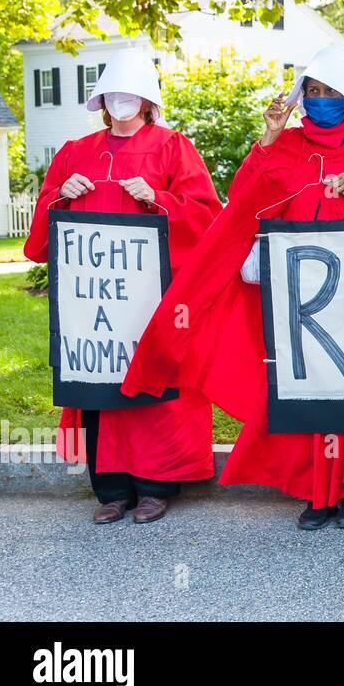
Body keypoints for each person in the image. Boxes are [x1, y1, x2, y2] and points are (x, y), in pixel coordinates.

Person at [123, 46, 344, 530]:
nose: (319, 100)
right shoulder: (286, 148)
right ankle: (318, 492)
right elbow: (246, 199)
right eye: (311, 92)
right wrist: (269, 139)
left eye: (329, 92)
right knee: (302, 389)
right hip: (294, 298)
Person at [25, 47, 222, 524]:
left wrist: (160, 200)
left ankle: (156, 486)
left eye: (131, 94)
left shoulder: (175, 147)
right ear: (100, 99)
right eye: (113, 94)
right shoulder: (76, 152)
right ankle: (111, 490)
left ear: (148, 100)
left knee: (151, 387)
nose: (121, 102)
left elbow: (207, 217)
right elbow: (41, 236)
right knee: (100, 383)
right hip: (92, 300)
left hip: (152, 296)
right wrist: (59, 200)